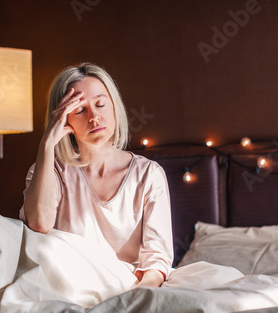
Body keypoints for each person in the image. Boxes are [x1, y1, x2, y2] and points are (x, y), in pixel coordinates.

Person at [19, 63, 173, 288]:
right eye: (80, 110)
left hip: (129, 286)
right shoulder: (50, 172)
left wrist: (138, 298)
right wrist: (47, 143)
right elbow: (39, 224)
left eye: (100, 104)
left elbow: (156, 261)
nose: (94, 117)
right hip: (67, 283)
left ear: (114, 107)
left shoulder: (148, 175)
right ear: (63, 119)